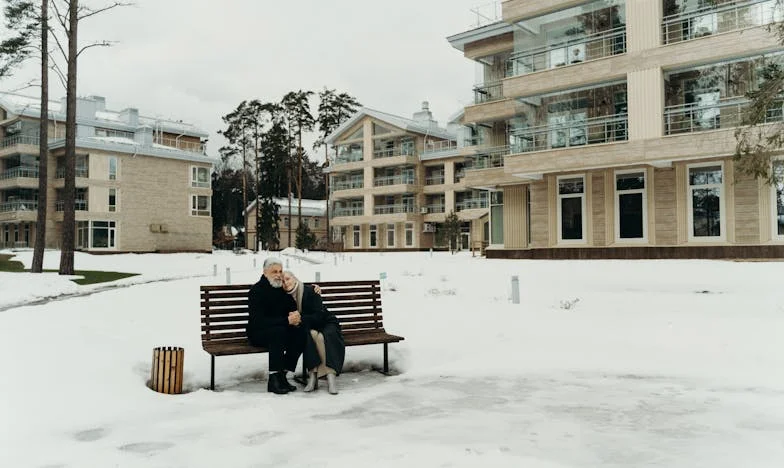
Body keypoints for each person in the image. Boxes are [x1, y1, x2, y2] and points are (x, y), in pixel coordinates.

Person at [247, 258, 307, 395]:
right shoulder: (256, 291)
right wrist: (286, 320)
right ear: (265, 272)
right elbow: (259, 321)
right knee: (278, 331)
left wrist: (295, 316)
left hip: (279, 331)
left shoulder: (280, 289)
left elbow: (291, 306)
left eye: (280, 271)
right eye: (274, 271)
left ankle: (282, 375)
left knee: (301, 331)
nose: (278, 275)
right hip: (258, 333)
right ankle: (273, 379)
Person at [282, 271, 345, 395]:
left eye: (288, 279)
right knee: (311, 336)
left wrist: (300, 318)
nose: (286, 283)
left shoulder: (310, 290)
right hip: (308, 326)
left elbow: (319, 315)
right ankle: (313, 376)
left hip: (326, 322)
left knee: (322, 337)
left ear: (295, 278)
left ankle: (330, 377)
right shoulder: (283, 297)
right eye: (283, 281)